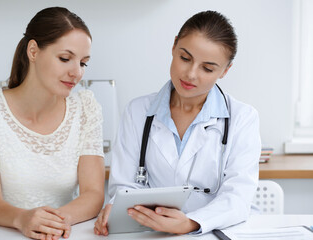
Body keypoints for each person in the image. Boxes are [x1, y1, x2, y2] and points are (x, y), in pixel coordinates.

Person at [94, 10, 261, 235]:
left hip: (217, 232)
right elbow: (124, 187)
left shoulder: (243, 118)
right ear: (174, 46)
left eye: (207, 68)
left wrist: (191, 222)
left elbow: (238, 197)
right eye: (185, 58)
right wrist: (116, 207)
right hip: (151, 233)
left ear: (225, 70)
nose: (191, 74)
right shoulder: (137, 112)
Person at [0, 7, 105, 240]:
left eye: (83, 63)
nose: (77, 72)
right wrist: (23, 219)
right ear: (33, 51)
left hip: (62, 234)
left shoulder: (86, 107)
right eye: (65, 58)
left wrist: (51, 222)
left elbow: (93, 193)